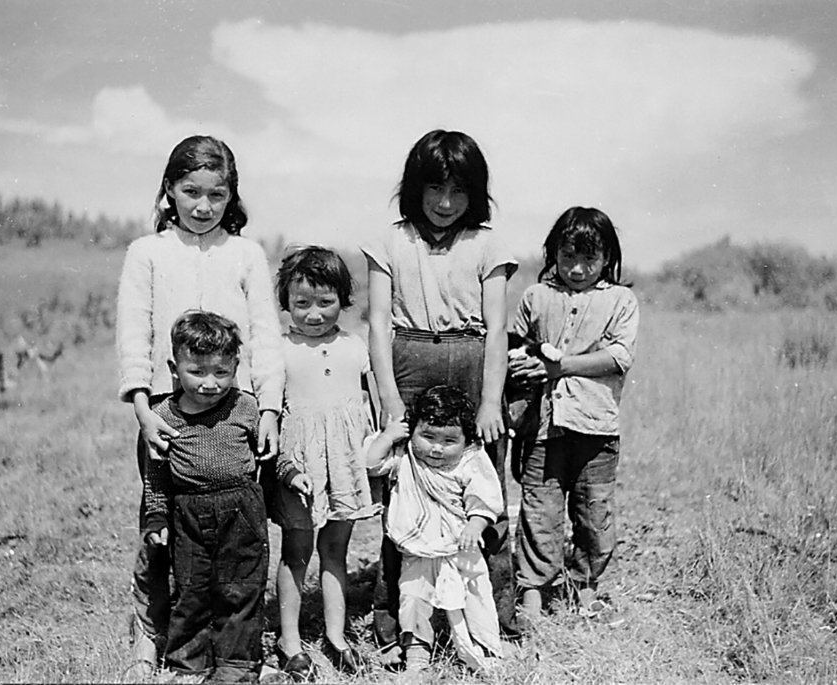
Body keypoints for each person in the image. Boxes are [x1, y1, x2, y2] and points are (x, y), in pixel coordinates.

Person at [116, 135, 284, 678]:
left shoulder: (246, 253)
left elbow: (265, 335)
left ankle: (232, 642)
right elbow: (133, 333)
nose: (203, 205)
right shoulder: (147, 252)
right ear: (170, 190)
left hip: (236, 408)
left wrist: (270, 412)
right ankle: (152, 635)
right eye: (190, 191)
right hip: (167, 411)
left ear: (231, 195)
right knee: (160, 526)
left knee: (232, 533)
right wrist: (143, 409)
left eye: (216, 193)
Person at [361, 129, 519, 658]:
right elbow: (378, 322)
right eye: (434, 189)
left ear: (476, 193)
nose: (446, 203)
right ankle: (398, 619)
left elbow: (497, 329)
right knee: (403, 488)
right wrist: (389, 397)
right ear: (414, 188)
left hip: (472, 361)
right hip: (406, 360)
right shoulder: (388, 241)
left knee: (482, 486)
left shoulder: (488, 243)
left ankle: (494, 613)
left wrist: (492, 401)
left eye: (459, 191)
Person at [508, 206, 639, 620]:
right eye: (568, 258)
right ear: (553, 253)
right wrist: (522, 363)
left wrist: (559, 365)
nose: (578, 269)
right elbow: (516, 348)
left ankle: (585, 588)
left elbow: (619, 356)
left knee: (593, 513)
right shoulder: (535, 297)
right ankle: (532, 593)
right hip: (542, 428)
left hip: (595, 428)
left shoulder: (620, 300)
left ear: (608, 258)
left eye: (590, 259)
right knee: (538, 512)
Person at [143, 311, 269, 682]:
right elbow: (156, 474)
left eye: (221, 372)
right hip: (188, 511)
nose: (210, 384)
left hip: (241, 509)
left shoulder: (245, 406)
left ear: (236, 367)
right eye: (197, 372)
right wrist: (156, 516)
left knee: (241, 590)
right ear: (174, 368)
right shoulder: (163, 415)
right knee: (191, 591)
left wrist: (289, 472)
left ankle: (236, 665)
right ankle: (189, 665)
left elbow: (268, 451)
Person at [270, 246, 377, 681]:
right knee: (297, 551)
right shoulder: (279, 350)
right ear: (286, 303)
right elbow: (270, 416)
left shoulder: (355, 345)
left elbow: (370, 403)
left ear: (343, 299)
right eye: (302, 303)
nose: (314, 314)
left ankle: (336, 637)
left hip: (344, 465)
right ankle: (290, 641)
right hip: (299, 467)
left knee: (335, 550)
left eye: (325, 302)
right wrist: (285, 466)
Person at [365, 385, 505, 674]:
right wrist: (389, 436)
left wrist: (475, 524)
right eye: (427, 437)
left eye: (449, 440)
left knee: (475, 597)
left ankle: (482, 649)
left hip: (461, 547)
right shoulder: (406, 458)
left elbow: (485, 498)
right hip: (418, 548)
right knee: (414, 598)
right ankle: (417, 653)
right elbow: (371, 464)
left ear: (466, 441)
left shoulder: (470, 459)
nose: (437, 448)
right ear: (411, 432)